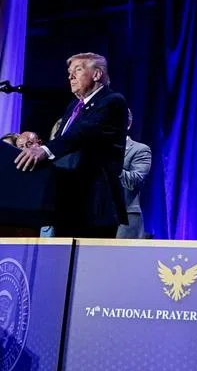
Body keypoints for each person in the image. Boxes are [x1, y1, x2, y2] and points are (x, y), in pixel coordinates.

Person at [13, 52, 128, 238]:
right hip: (65, 200)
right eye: (69, 72)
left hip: (93, 204)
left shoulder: (112, 101)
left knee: (88, 265)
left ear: (97, 74)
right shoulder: (73, 106)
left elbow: (82, 133)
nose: (70, 76)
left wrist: (44, 150)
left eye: (78, 70)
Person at [117, 110, 153, 238]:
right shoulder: (93, 149)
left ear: (128, 124)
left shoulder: (140, 150)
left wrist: (111, 164)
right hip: (93, 218)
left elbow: (134, 182)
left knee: (120, 258)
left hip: (124, 220)